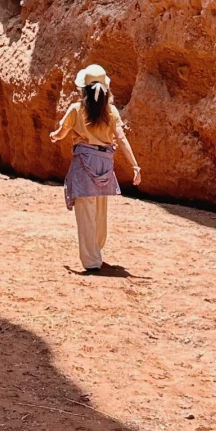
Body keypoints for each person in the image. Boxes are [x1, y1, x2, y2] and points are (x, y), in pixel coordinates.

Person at [50, 63, 141, 274]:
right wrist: (135, 166)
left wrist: (55, 136)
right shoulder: (111, 111)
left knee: (86, 212)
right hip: (104, 164)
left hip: (84, 164)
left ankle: (91, 261)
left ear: (84, 89)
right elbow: (122, 138)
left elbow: (62, 132)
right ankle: (96, 249)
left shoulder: (76, 109)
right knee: (100, 211)